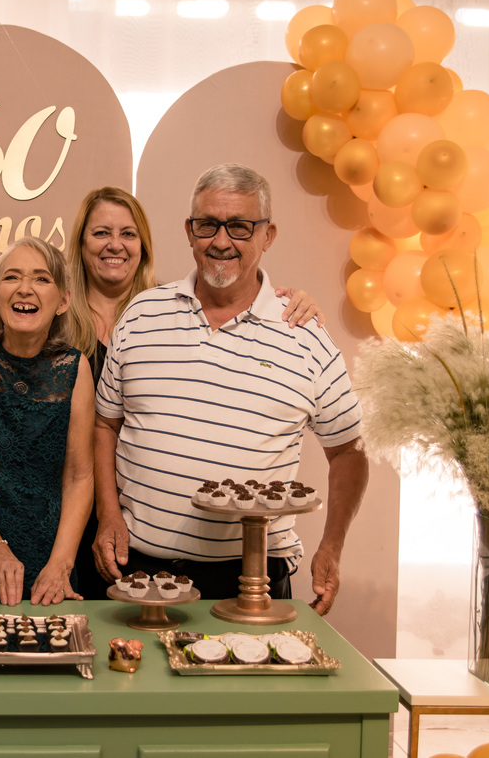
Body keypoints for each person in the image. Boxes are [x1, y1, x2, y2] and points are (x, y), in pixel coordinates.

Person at [92, 164, 369, 616]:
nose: (221, 241)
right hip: (140, 574)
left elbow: (350, 451)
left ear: (268, 236)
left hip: (252, 582)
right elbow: (105, 425)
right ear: (189, 231)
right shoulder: (142, 315)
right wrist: (108, 514)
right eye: (207, 225)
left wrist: (332, 546)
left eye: (240, 227)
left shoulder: (303, 333)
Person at [0, 236, 95, 606]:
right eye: (12, 277)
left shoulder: (77, 369)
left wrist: (60, 563)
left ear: (63, 301)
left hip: (50, 567)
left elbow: (80, 477)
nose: (25, 289)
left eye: (42, 279)